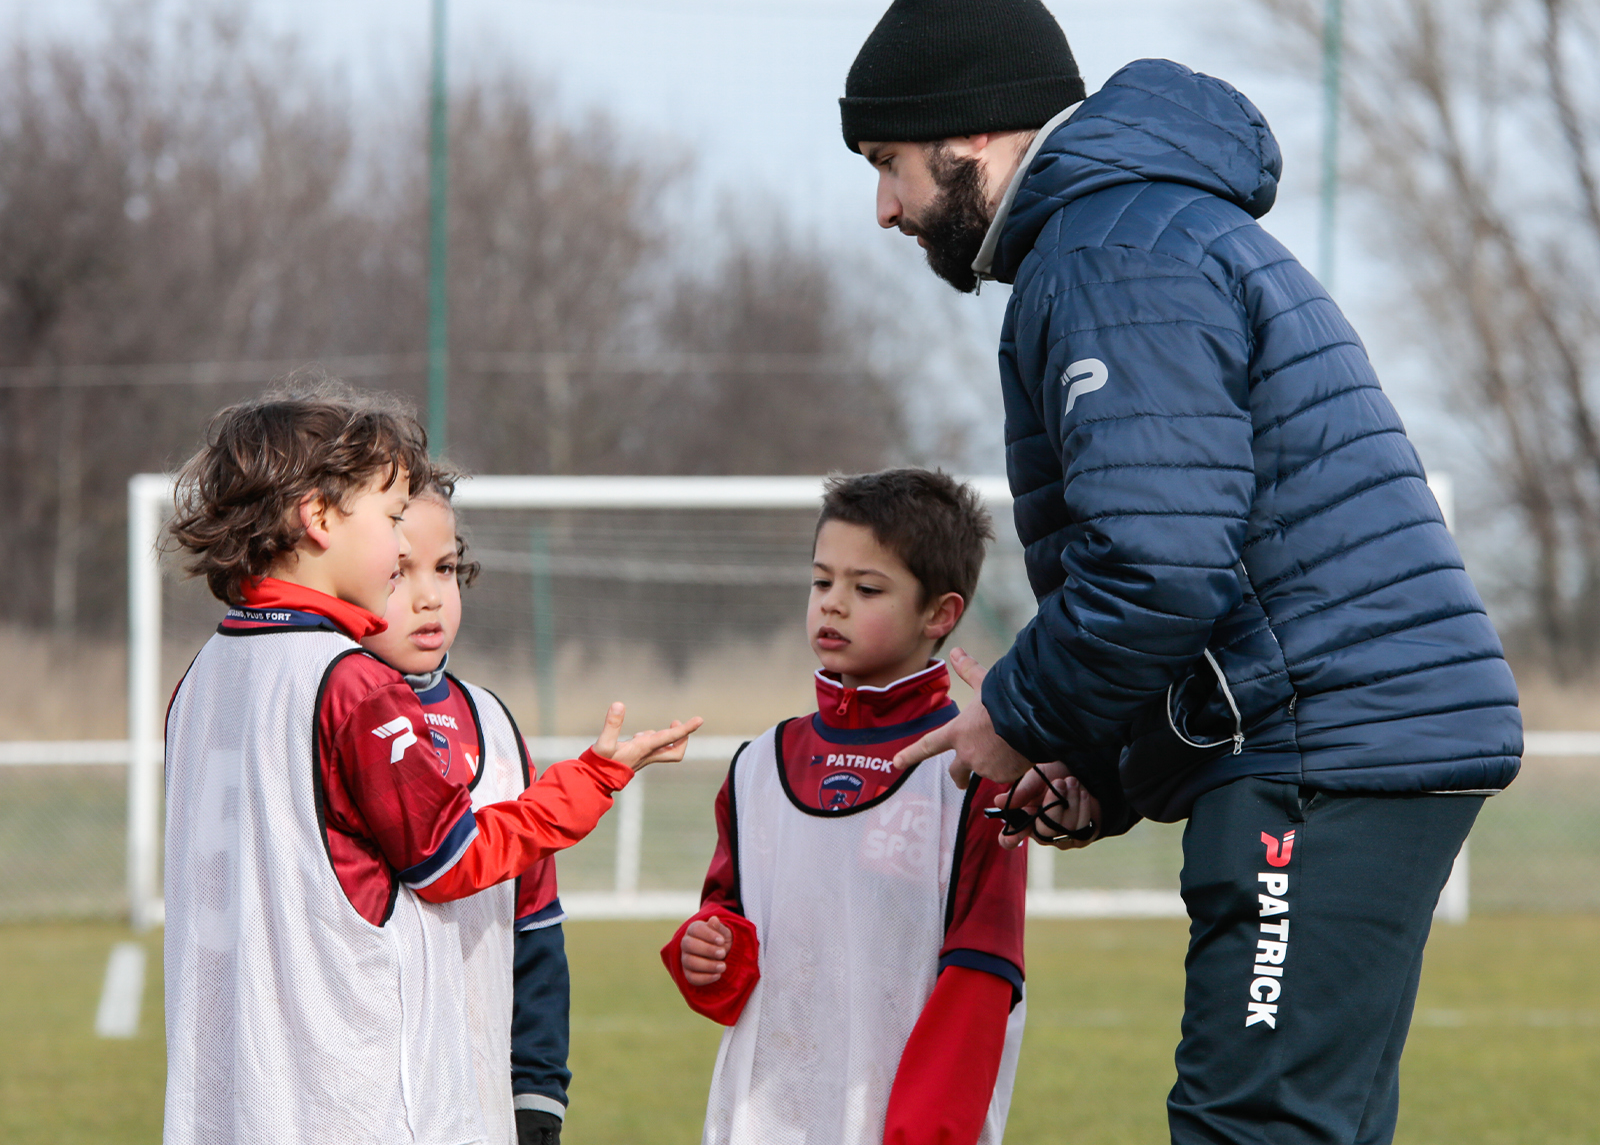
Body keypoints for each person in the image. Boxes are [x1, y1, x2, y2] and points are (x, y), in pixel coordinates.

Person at [841, 0, 1522, 1145]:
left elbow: (1157, 565)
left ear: (969, 137)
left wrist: (1016, 714)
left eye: (887, 168)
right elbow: (1212, 566)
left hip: (1323, 757)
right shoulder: (1135, 230)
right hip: (1344, 738)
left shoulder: (1109, 256)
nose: (886, 211)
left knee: (1251, 1126)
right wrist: (1099, 760)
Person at [162, 387, 700, 1145]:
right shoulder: (350, 682)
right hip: (346, 1096)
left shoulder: (200, 677)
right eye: (389, 523)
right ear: (319, 520)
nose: (399, 552)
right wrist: (593, 781)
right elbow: (452, 859)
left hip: (230, 1098)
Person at [661, 469, 1028, 1145]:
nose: (832, 604)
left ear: (939, 615)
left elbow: (981, 979)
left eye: (866, 589)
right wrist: (710, 950)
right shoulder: (757, 766)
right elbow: (733, 929)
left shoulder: (976, 776)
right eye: (821, 581)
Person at [359, 478, 573, 1145]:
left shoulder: (495, 723)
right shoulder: (332, 710)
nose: (430, 596)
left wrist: (537, 1090)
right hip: (363, 1102)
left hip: (478, 1104)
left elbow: (535, 925)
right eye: (400, 572)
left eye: (446, 568)